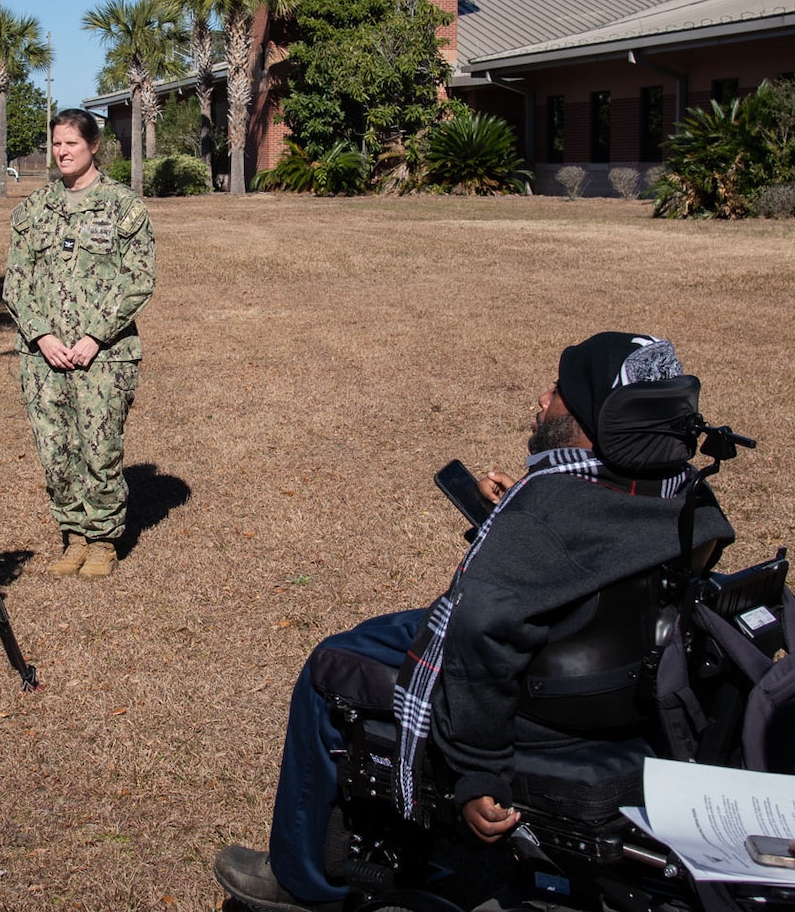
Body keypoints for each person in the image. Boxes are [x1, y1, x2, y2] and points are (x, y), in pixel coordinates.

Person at [214, 332, 736, 912]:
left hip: (537, 699)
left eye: (559, 391)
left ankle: (303, 881)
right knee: (379, 636)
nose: (543, 399)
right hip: (607, 676)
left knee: (331, 663)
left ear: (594, 420)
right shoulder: (685, 494)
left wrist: (479, 772)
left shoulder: (543, 513)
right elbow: (591, 549)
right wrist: (511, 517)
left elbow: (481, 638)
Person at [2, 109, 156, 580]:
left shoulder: (122, 207)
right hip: (43, 357)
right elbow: (16, 282)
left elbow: (138, 279)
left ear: (93, 146)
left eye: (71, 143)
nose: (62, 152)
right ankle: (74, 535)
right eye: (56, 143)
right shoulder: (34, 209)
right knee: (55, 451)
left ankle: (104, 539)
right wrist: (42, 336)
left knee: (100, 448)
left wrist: (94, 337)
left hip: (103, 357)